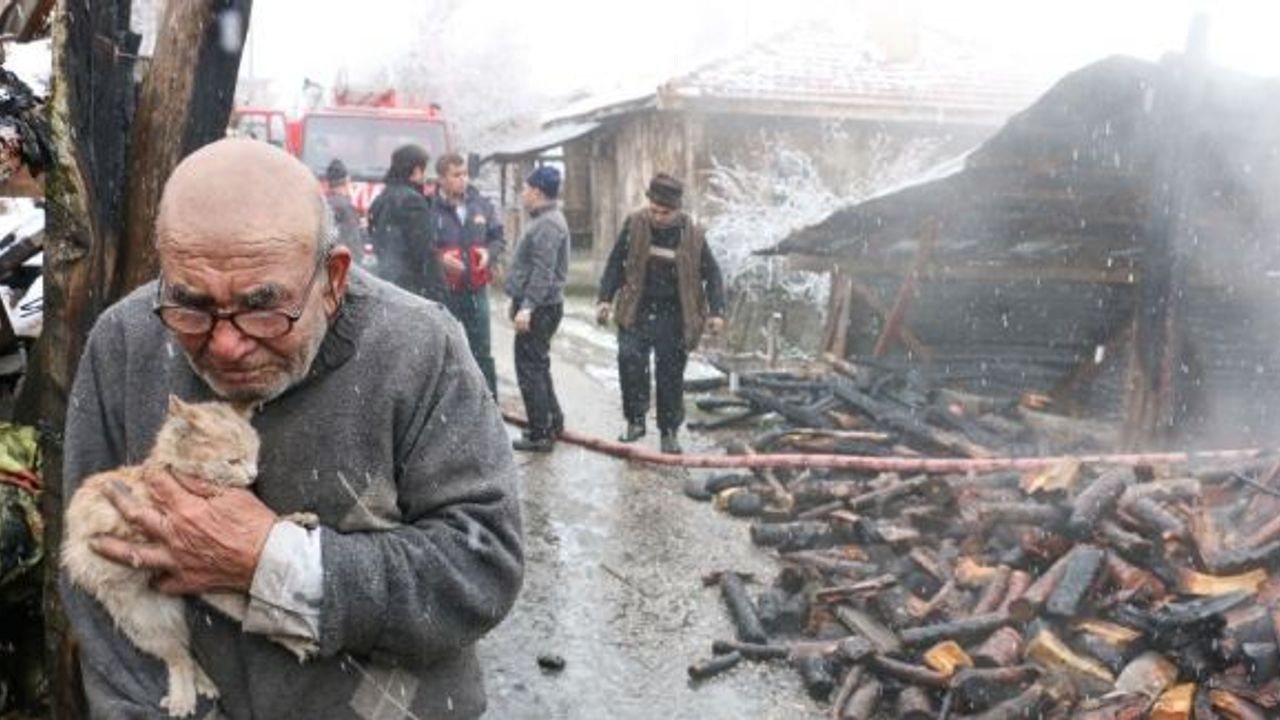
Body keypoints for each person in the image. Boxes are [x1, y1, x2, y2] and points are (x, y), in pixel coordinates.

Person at [60, 138, 523, 719]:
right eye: (191, 304)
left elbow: (481, 569)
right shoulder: (124, 342)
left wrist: (273, 562)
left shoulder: (419, 349)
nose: (225, 343)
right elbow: (91, 588)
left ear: (332, 279)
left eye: (263, 307)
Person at [596, 172, 726, 455]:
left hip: (675, 315)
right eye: (653, 209)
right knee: (630, 360)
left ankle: (669, 432)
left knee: (670, 375)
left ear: (677, 210)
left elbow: (713, 274)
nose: (657, 216)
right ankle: (636, 420)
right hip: (637, 309)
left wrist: (717, 311)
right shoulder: (634, 224)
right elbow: (616, 262)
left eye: (664, 212)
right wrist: (605, 298)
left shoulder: (693, 234)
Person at [503, 166, 569, 452]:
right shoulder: (545, 220)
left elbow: (544, 271)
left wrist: (527, 307)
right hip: (542, 305)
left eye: (526, 188)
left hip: (540, 307)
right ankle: (552, 421)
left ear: (538, 192)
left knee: (530, 369)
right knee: (538, 366)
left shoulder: (547, 225)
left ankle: (541, 433)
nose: (522, 193)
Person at [431, 153, 503, 397]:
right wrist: (440, 260)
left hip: (476, 290)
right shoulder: (429, 209)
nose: (463, 180)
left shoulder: (480, 205)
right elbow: (420, 247)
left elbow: (497, 238)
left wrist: (489, 254)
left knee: (482, 351)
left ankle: (489, 405)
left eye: (465, 174)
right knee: (445, 351)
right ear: (441, 179)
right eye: (456, 175)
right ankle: (449, 406)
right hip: (444, 293)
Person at [367, 143, 445, 302]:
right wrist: (438, 292)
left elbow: (374, 237)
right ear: (416, 171)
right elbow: (423, 252)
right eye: (424, 170)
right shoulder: (414, 202)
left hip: (385, 284)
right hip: (410, 289)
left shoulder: (379, 200)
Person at [323, 158, 365, 265]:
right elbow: (353, 243)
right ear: (347, 180)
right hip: (343, 268)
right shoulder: (345, 207)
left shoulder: (322, 204)